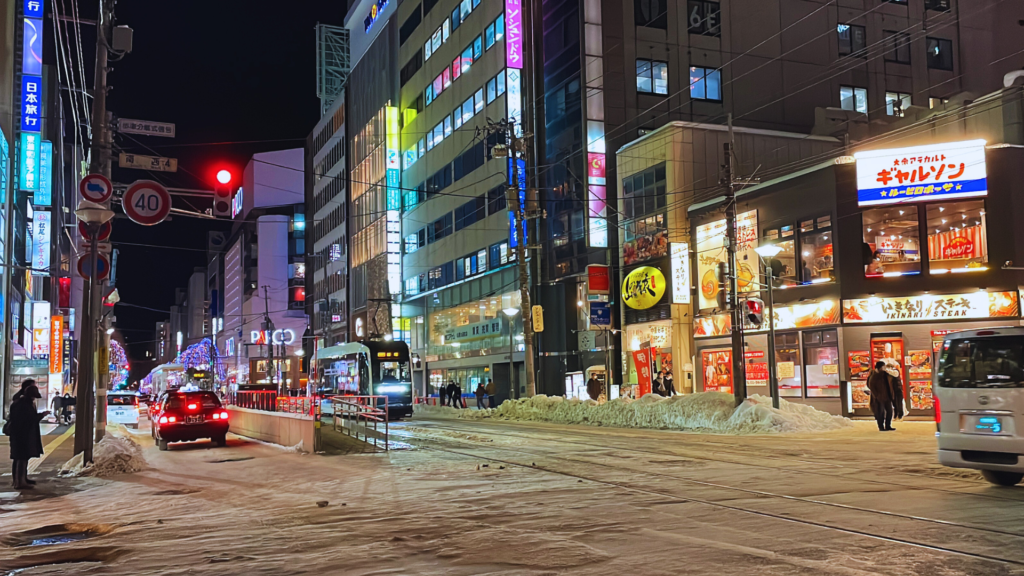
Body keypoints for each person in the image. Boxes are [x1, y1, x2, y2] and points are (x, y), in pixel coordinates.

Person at [6, 382, 48, 489]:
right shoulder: (24, 404)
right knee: (21, 458)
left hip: (20, 434)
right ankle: (20, 482)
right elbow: (29, 419)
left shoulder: (20, 402)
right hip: (22, 435)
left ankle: (21, 479)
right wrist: (41, 415)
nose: (34, 399)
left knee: (21, 457)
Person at [866, 361, 903, 431]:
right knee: (880, 412)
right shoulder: (874, 375)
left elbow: (894, 375)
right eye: (883, 366)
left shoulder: (885, 374)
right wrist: (876, 395)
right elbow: (871, 386)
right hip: (879, 397)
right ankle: (881, 426)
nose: (884, 368)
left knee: (889, 411)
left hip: (887, 396)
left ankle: (888, 425)